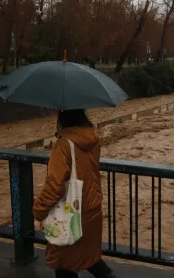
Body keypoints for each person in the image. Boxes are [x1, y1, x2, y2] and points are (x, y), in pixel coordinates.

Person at [33, 109, 118, 278]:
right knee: (89, 256)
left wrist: (38, 213)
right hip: (92, 208)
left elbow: (54, 185)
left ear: (62, 117)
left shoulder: (64, 145)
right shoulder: (93, 138)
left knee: (65, 262)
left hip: (70, 213)